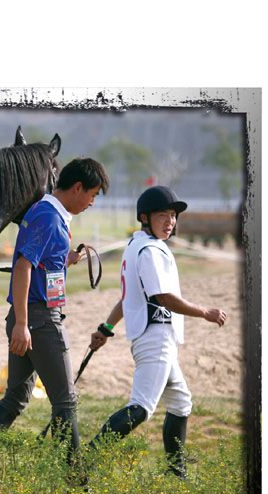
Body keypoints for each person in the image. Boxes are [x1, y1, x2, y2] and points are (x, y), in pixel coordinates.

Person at [0, 157, 110, 494]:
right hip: (39, 320)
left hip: (33, 318)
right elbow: (23, 267)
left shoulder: (51, 215)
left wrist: (66, 259)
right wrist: (23, 324)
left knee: (15, 398)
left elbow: (39, 262)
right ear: (77, 188)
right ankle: (75, 483)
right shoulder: (47, 216)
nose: (92, 202)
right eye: (93, 195)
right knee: (65, 402)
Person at [87, 186, 227, 479]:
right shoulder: (150, 250)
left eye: (173, 215)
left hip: (156, 337)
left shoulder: (136, 247)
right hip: (156, 337)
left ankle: (176, 473)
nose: (170, 221)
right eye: (163, 215)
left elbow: (127, 298)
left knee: (180, 402)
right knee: (141, 408)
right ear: (144, 217)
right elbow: (163, 297)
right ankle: (84, 463)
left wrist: (106, 327)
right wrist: (204, 312)